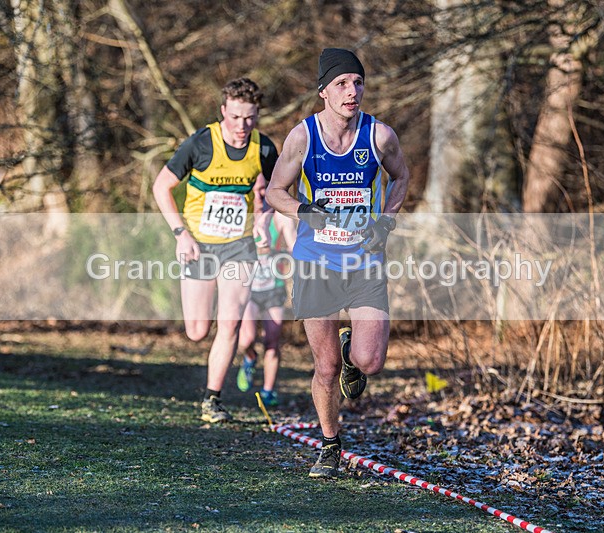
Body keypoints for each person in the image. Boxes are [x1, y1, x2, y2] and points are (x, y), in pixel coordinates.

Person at [266, 48, 410, 477]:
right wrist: (305, 211)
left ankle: (354, 351)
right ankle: (330, 447)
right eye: (343, 84)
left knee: (370, 362)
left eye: (358, 82)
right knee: (325, 368)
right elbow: (275, 192)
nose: (353, 92)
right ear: (324, 91)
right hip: (316, 261)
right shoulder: (302, 137)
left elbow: (401, 175)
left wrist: (386, 220)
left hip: (364, 260)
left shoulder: (380, 136)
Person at [152, 77, 278, 423]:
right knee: (196, 330)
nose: (242, 126)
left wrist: (262, 221)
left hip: (239, 248)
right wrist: (180, 234)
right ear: (223, 111)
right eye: (235, 117)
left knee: (231, 324)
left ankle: (212, 400)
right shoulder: (200, 143)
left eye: (250, 118)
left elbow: (274, 195)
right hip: (198, 245)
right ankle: (212, 391)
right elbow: (161, 186)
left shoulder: (264, 149)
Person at [235, 210, 296, 407]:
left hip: (274, 289)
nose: (261, 195)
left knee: (272, 339)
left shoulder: (280, 218)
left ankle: (268, 390)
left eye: (265, 191)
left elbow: (294, 246)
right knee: (246, 339)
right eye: (258, 190)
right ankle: (250, 357)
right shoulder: (243, 212)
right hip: (250, 288)